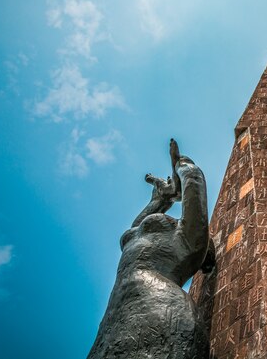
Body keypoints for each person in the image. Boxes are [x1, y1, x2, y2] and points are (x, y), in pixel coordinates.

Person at [88, 139, 214, 359]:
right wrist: (161, 200)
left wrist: (183, 166)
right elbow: (134, 230)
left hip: (158, 309)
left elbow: (194, 180)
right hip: (115, 319)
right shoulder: (139, 238)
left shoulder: (185, 244)